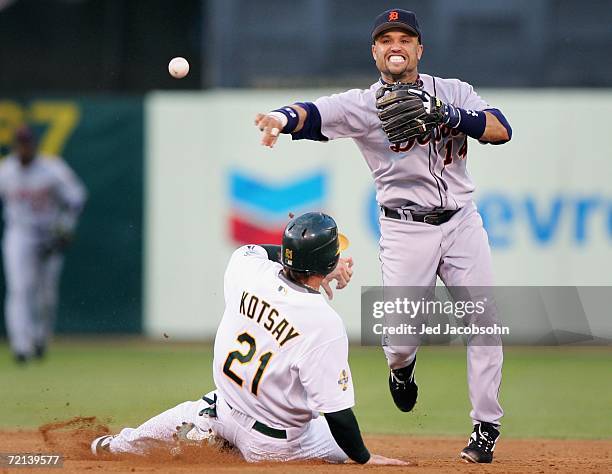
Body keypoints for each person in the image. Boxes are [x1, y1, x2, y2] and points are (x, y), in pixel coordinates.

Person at [254, 9, 512, 464]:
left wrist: (448, 114)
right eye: (386, 38)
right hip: (405, 227)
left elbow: (500, 129)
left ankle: (485, 427)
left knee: (484, 322)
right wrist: (279, 117)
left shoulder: (454, 91)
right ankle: (401, 371)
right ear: (375, 51)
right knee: (400, 340)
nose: (396, 44)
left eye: (405, 38)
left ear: (419, 49)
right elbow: (313, 115)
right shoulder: (364, 103)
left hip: (462, 221)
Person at [91, 212, 408, 466]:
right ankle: (230, 449)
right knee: (344, 449)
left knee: (124, 445)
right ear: (326, 264)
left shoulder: (248, 271)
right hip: (274, 445)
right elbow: (337, 414)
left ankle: (117, 446)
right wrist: (364, 458)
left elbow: (255, 252)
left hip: (218, 410)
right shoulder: (324, 323)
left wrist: (304, 261)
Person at [0, 126, 86, 363]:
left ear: (34, 145)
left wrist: (65, 228)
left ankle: (39, 338)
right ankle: (21, 346)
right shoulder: (6, 171)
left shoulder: (52, 168)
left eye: (27, 143)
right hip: (19, 234)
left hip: (49, 234)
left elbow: (77, 197)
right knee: (20, 288)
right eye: (19, 144)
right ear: (14, 146)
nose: (23, 148)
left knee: (46, 295)